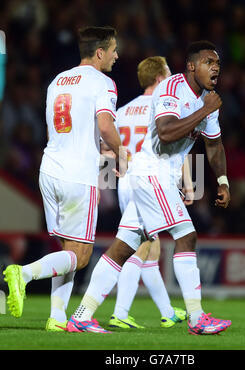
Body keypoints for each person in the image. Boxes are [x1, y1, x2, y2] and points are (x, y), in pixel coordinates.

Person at [67, 40, 231, 335]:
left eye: (217, 63)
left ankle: (81, 314)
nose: (216, 67)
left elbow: (214, 144)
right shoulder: (172, 89)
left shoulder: (210, 100)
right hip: (152, 171)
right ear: (192, 66)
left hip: (149, 175)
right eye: (209, 61)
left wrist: (222, 180)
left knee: (124, 246)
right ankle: (197, 318)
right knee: (186, 236)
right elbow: (167, 133)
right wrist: (203, 110)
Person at [3, 26, 125, 333]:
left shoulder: (57, 80)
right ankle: (24, 273)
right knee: (81, 256)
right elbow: (106, 125)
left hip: (50, 169)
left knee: (68, 249)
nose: (116, 55)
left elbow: (51, 130)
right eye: (113, 50)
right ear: (100, 52)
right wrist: (121, 153)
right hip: (78, 175)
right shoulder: (103, 83)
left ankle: (57, 318)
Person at [107, 56, 194, 330]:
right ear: (159, 78)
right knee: (138, 248)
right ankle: (119, 312)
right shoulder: (164, 106)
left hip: (125, 183)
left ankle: (168, 311)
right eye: (168, 74)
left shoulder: (122, 111)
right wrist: (189, 184)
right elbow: (177, 146)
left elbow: (107, 149)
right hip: (150, 181)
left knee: (150, 249)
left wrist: (109, 183)